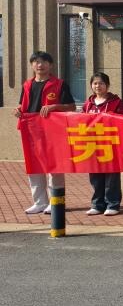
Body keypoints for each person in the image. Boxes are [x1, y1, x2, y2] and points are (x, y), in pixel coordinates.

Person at [13, 51, 76, 214]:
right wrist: (18, 110)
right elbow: (22, 105)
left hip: (53, 132)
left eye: (44, 62)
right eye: (36, 62)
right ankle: (39, 202)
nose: (40, 65)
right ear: (32, 65)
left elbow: (71, 106)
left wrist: (54, 107)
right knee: (34, 166)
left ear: (51, 65)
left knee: (54, 167)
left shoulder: (60, 84)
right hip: (31, 131)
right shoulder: (27, 85)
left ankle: (56, 201)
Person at [82, 73, 123, 216]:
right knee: (95, 176)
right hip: (93, 146)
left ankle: (113, 204)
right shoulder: (88, 104)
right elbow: (81, 121)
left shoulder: (116, 102)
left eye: (101, 83)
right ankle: (97, 204)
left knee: (112, 176)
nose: (98, 86)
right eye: (95, 83)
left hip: (110, 145)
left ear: (107, 85)